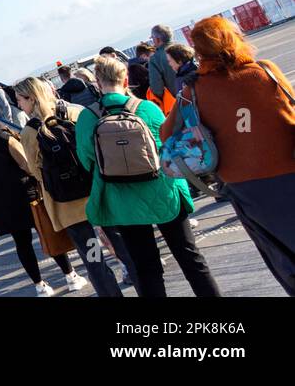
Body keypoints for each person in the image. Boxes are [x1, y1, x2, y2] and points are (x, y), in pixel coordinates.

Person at [162, 16, 295, 295]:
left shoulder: (192, 91)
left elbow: (166, 135)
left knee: (283, 259)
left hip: (244, 188)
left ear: (198, 51)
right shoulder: (264, 71)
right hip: (289, 171)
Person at [75, 55, 221, 297]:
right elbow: (168, 145)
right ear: (125, 79)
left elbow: (86, 159)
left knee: (146, 269)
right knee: (191, 259)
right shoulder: (147, 108)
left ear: (98, 82)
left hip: (122, 201)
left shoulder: (87, 118)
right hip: (163, 191)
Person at [13, 77, 123, 296]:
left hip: (70, 207)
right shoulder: (74, 112)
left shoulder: (30, 132)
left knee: (94, 260)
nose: (18, 105)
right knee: (123, 247)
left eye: (20, 100)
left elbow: (36, 172)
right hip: (98, 194)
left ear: (31, 98)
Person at [0, 107, 80, 296]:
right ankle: (70, 276)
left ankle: (40, 285)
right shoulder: (1, 136)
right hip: (24, 194)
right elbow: (25, 163)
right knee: (47, 234)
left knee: (22, 244)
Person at [147, 24, 179, 110]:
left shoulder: (155, 59)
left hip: (179, 103)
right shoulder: (185, 49)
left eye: (152, 39)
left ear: (157, 39)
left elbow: (157, 89)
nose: (152, 41)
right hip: (200, 94)